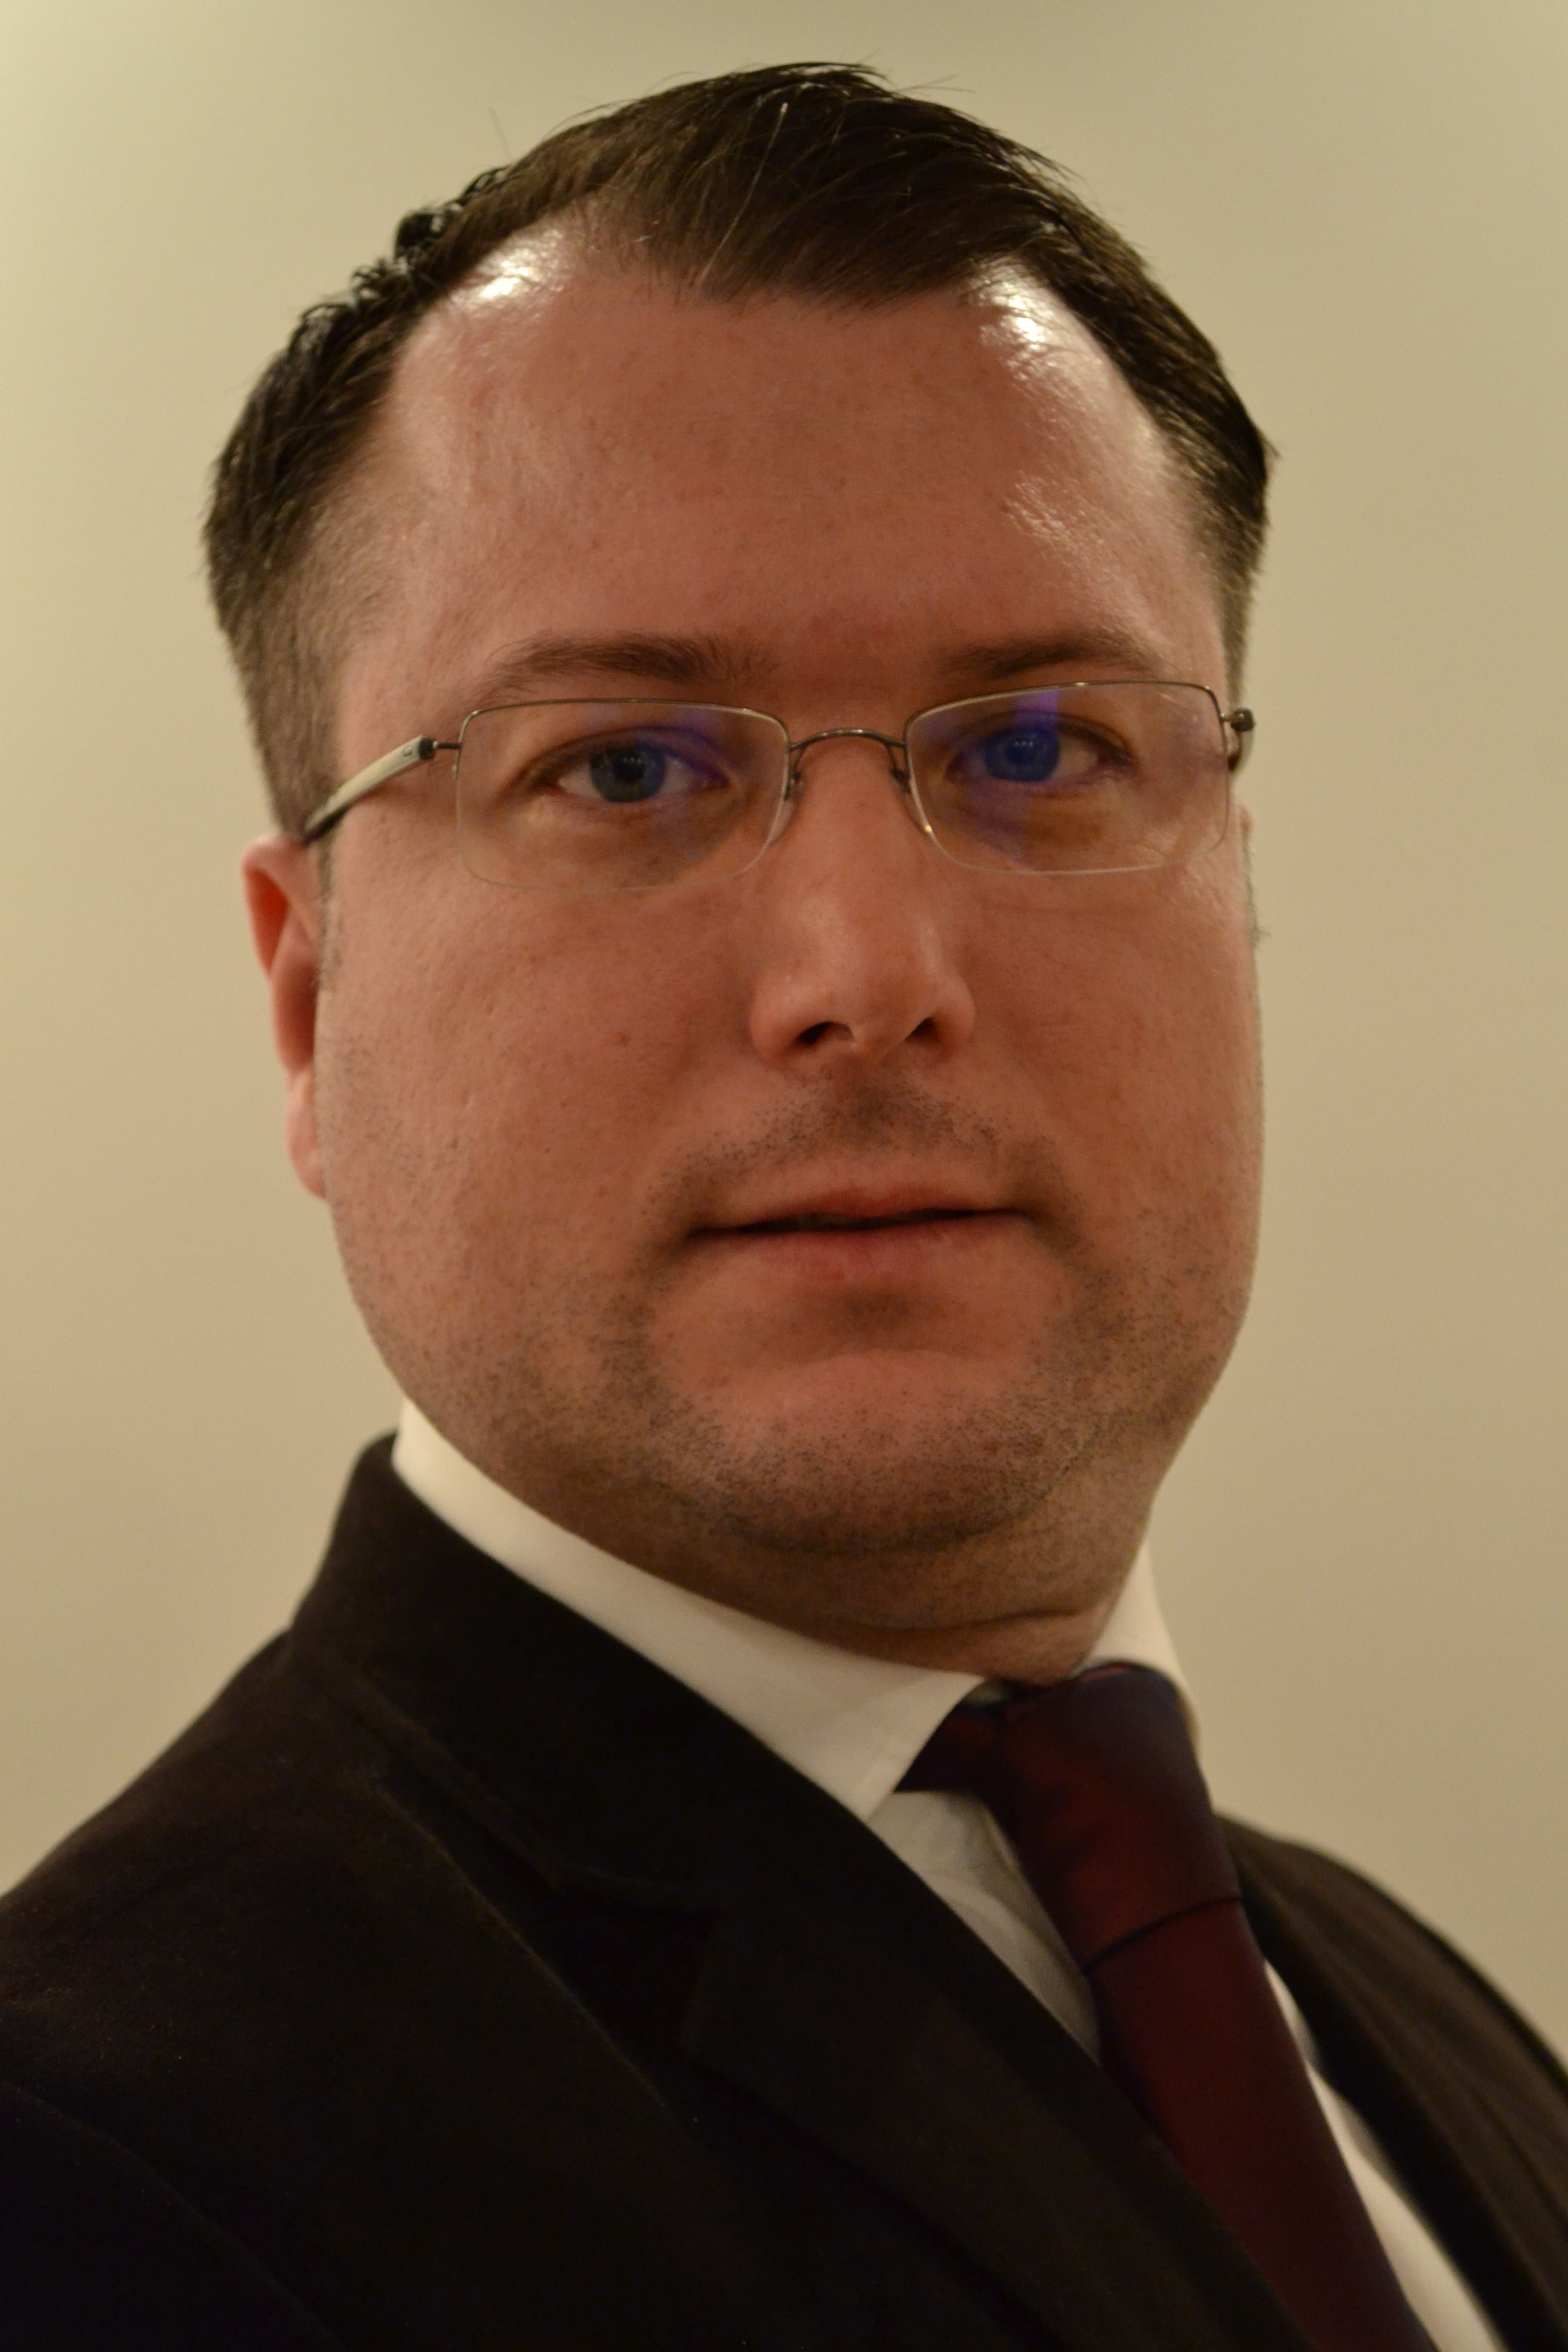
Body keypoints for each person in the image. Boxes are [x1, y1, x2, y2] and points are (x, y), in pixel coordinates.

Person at [0, 61, 1563, 2352]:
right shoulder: (95, 2180)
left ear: (1237, 892)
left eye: (1038, 748)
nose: (868, 975)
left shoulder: (1419, 2020)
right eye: (625, 768)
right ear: (311, 996)